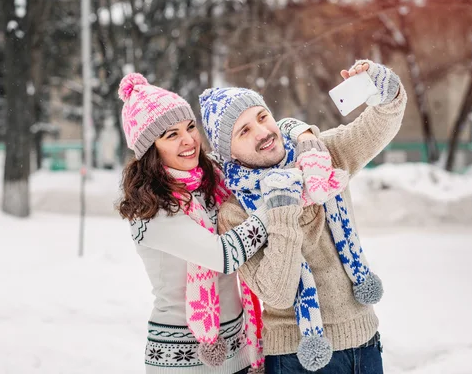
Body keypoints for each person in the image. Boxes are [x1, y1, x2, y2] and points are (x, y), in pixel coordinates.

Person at [199, 59, 407, 373]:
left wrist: (386, 89)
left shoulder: (321, 155)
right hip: (294, 359)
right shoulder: (235, 214)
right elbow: (278, 293)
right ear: (230, 153)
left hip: (364, 346)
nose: (262, 131)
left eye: (262, 117)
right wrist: (281, 206)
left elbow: (378, 125)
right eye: (244, 131)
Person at [116, 73, 318, 374]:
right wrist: (279, 200)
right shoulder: (150, 210)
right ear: (150, 149)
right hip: (182, 362)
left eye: (190, 127)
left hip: (242, 349)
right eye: (171, 135)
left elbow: (263, 139)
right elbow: (225, 255)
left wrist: (301, 134)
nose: (189, 140)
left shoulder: (213, 181)